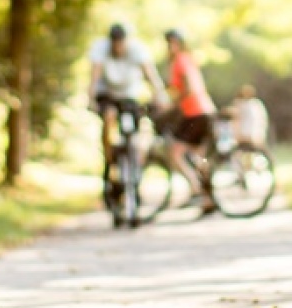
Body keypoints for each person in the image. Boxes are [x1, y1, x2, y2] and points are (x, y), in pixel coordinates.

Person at [87, 23, 170, 193]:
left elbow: (150, 74)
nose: (118, 47)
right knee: (109, 116)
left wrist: (159, 95)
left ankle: (135, 161)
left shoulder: (137, 49)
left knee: (139, 128)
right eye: (115, 43)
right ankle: (109, 157)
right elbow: (94, 75)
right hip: (107, 93)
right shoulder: (101, 48)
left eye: (121, 43)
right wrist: (90, 98)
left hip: (129, 94)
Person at [162, 28, 219, 214]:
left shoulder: (180, 60)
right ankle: (208, 199)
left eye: (172, 43)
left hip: (196, 112)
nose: (169, 47)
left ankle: (195, 188)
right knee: (198, 156)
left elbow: (187, 88)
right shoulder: (188, 59)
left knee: (174, 151)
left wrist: (172, 106)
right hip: (204, 110)